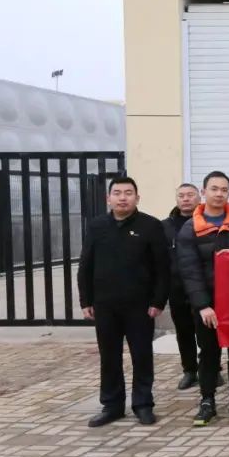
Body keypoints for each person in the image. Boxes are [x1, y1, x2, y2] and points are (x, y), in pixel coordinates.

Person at [77, 177, 169, 427]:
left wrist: (158, 300)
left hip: (140, 305)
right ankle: (112, 405)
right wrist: (86, 300)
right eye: (117, 193)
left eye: (128, 193)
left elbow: (162, 268)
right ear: (108, 198)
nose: (122, 198)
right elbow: (86, 264)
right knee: (109, 356)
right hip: (105, 304)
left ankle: (143, 404)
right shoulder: (97, 226)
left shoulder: (150, 226)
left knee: (142, 355)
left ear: (137, 198)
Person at [176, 171, 229, 427]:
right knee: (209, 352)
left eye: (224, 190)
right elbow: (189, 270)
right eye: (214, 189)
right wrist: (202, 305)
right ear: (204, 192)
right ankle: (207, 400)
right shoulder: (191, 227)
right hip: (208, 304)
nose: (219, 194)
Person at [162, 183, 207, 391]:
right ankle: (189, 370)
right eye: (181, 195)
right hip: (177, 288)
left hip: (203, 287)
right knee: (183, 331)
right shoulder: (165, 226)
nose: (186, 199)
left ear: (199, 197)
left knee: (206, 332)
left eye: (190, 195)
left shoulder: (207, 221)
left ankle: (211, 369)